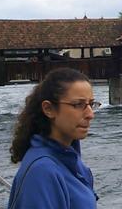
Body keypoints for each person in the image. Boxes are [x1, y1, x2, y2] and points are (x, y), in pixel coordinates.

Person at [8, 67, 100, 209]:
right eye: (78, 104)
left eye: (91, 104)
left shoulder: (70, 160)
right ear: (48, 109)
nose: (90, 114)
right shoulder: (42, 172)